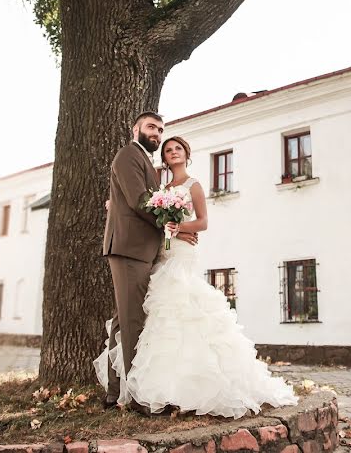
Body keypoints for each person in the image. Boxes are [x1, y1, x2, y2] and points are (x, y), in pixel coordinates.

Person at [123, 135, 298, 418]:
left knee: (184, 304)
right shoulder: (162, 189)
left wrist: (178, 229)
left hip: (182, 253)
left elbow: (203, 222)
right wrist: (165, 229)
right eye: (168, 150)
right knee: (163, 313)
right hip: (163, 251)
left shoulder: (194, 185)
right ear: (164, 158)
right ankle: (167, 386)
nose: (173, 152)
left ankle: (199, 385)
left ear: (186, 154)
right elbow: (156, 223)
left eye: (177, 148)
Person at [96, 112, 199, 411]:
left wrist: (173, 233)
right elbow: (140, 200)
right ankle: (140, 398)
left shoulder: (146, 163)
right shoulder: (129, 155)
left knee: (122, 322)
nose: (156, 133)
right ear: (136, 129)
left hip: (140, 249)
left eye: (160, 130)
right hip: (130, 249)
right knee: (132, 322)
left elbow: (131, 200)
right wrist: (170, 222)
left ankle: (115, 392)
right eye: (151, 127)